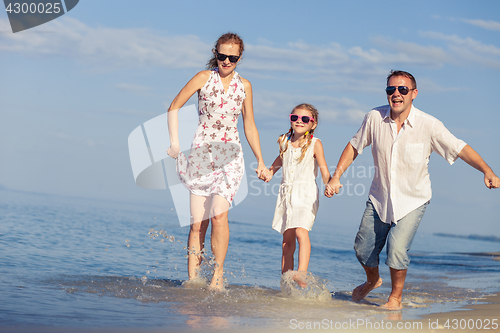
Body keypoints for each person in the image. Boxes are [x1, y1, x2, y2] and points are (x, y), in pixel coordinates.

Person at [325, 70, 500, 310]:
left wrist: (486, 170)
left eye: (402, 89)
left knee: (396, 251)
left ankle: (395, 299)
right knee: (362, 249)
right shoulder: (374, 117)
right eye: (391, 90)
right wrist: (336, 176)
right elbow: (354, 146)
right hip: (379, 198)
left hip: (413, 200)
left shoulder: (429, 125)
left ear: (414, 93)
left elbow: (460, 148)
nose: (396, 94)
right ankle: (373, 280)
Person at [166, 33, 268, 290]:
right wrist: (175, 143)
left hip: (230, 157)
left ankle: (217, 275)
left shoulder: (244, 86)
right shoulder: (203, 78)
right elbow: (174, 107)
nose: (226, 61)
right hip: (201, 154)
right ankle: (192, 280)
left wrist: (261, 160)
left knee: (218, 215)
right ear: (215, 53)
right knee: (197, 223)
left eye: (232, 58)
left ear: (239, 58)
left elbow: (250, 126)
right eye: (222, 55)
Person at [261, 103, 330, 287]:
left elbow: (323, 167)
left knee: (301, 231)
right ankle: (286, 282)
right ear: (290, 119)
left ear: (312, 124)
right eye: (295, 118)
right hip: (286, 195)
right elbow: (280, 160)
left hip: (306, 194)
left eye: (305, 119)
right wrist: (269, 172)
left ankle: (302, 273)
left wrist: (329, 183)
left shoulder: (315, 144)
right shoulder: (285, 141)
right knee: (287, 240)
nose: (299, 121)